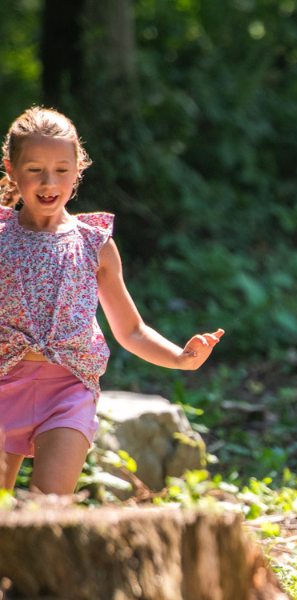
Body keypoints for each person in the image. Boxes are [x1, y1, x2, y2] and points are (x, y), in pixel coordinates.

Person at [0, 107, 225, 495]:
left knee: (49, 508)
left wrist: (179, 357)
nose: (48, 181)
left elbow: (132, 329)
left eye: (62, 169)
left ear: (78, 170)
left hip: (68, 391)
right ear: (11, 169)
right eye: (34, 169)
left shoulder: (94, 243)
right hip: (4, 383)